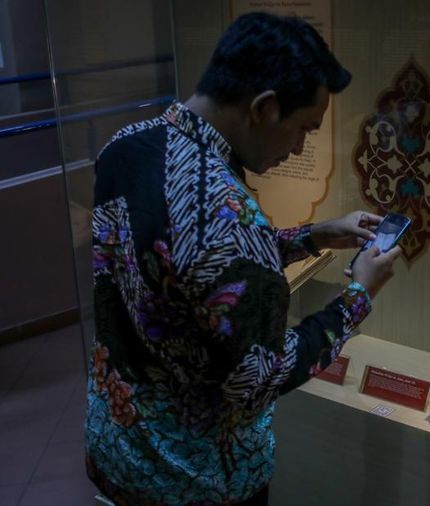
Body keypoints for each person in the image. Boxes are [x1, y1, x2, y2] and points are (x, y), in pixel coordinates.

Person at [85, 12, 400, 505]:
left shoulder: (124, 148)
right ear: (264, 107)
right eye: (303, 128)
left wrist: (312, 235)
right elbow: (259, 377)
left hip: (117, 448)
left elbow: (181, 266)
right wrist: (358, 295)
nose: (299, 147)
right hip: (198, 480)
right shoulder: (230, 218)